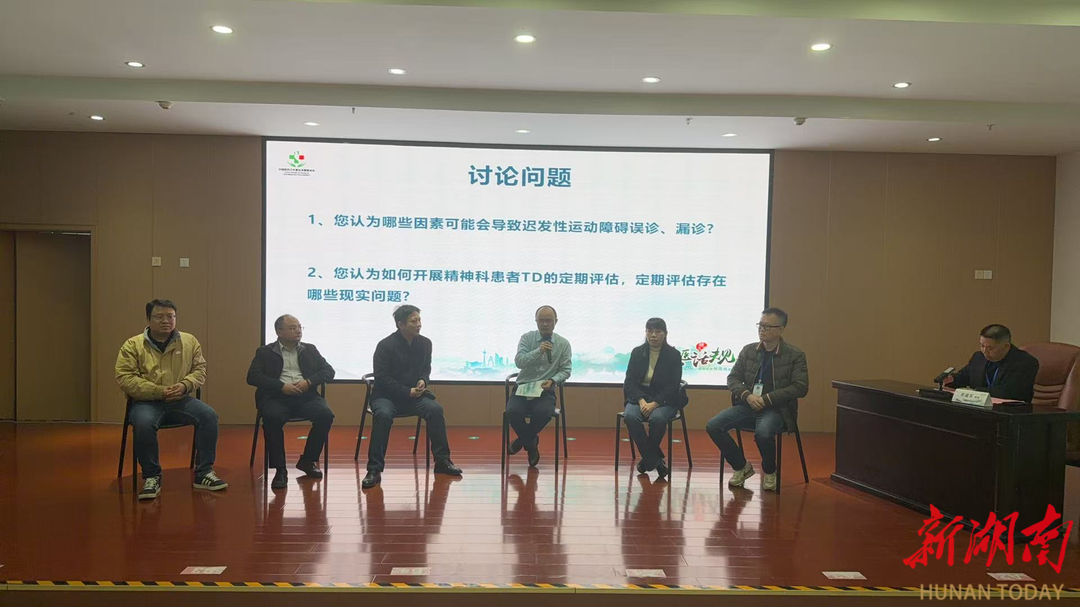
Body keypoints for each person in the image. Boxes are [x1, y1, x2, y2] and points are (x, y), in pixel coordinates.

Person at [115, 299, 227, 500]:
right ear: (148, 319)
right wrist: (158, 391)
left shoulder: (189, 341)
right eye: (159, 317)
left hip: (180, 399)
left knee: (209, 416)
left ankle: (204, 473)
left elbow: (199, 370)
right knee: (143, 423)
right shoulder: (133, 345)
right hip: (146, 402)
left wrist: (185, 385)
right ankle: (152, 476)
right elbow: (125, 378)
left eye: (170, 316)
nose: (166, 321)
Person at [705, 308, 808, 492]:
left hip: (777, 409)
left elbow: (800, 387)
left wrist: (767, 399)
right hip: (748, 405)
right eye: (760, 325)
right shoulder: (749, 350)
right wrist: (748, 395)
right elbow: (733, 378)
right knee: (713, 425)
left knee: (763, 433)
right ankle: (741, 466)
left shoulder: (795, 355)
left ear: (781, 329)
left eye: (767, 326)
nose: (762, 329)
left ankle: (770, 471)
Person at [363, 305, 462, 489]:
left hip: (413, 397)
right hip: (386, 396)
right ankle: (374, 469)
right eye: (413, 321)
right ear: (401, 324)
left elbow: (426, 369)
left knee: (435, 410)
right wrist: (406, 391)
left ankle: (442, 461)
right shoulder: (385, 345)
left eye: (419, 320)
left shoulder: (425, 343)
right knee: (383, 415)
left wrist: (423, 380)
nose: (418, 324)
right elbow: (382, 378)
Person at [246, 314, 336, 490]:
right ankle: (280, 469)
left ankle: (307, 460)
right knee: (272, 418)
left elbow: (328, 371)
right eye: (293, 328)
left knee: (325, 415)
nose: (298, 331)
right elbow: (252, 377)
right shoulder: (265, 352)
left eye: (300, 327)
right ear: (279, 332)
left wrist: (308, 382)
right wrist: (281, 386)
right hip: (276, 397)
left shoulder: (310, 349)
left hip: (306, 396)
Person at [506, 305, 572, 467]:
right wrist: (538, 351)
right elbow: (519, 362)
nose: (545, 324)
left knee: (544, 413)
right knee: (512, 412)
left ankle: (522, 441)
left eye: (548, 320)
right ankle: (531, 443)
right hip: (523, 388)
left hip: (545, 389)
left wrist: (553, 380)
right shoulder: (527, 338)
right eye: (541, 320)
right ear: (536, 321)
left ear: (556, 322)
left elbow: (566, 370)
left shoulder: (563, 344)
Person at [622, 318, 686, 480]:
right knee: (630, 416)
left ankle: (647, 461)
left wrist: (655, 403)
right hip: (639, 397)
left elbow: (673, 385)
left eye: (658, 331)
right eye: (649, 331)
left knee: (658, 419)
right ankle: (655, 461)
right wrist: (641, 400)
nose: (653, 335)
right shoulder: (638, 352)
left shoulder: (673, 355)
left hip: (664, 399)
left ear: (665, 334)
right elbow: (629, 382)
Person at [945, 324, 1039, 403]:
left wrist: (974, 392)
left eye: (990, 348)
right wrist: (952, 379)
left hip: (1010, 412)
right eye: (982, 346)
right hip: (980, 409)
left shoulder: (1025, 362)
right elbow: (965, 376)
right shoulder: (978, 357)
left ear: (1006, 346)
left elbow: (1008, 392)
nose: (984, 351)